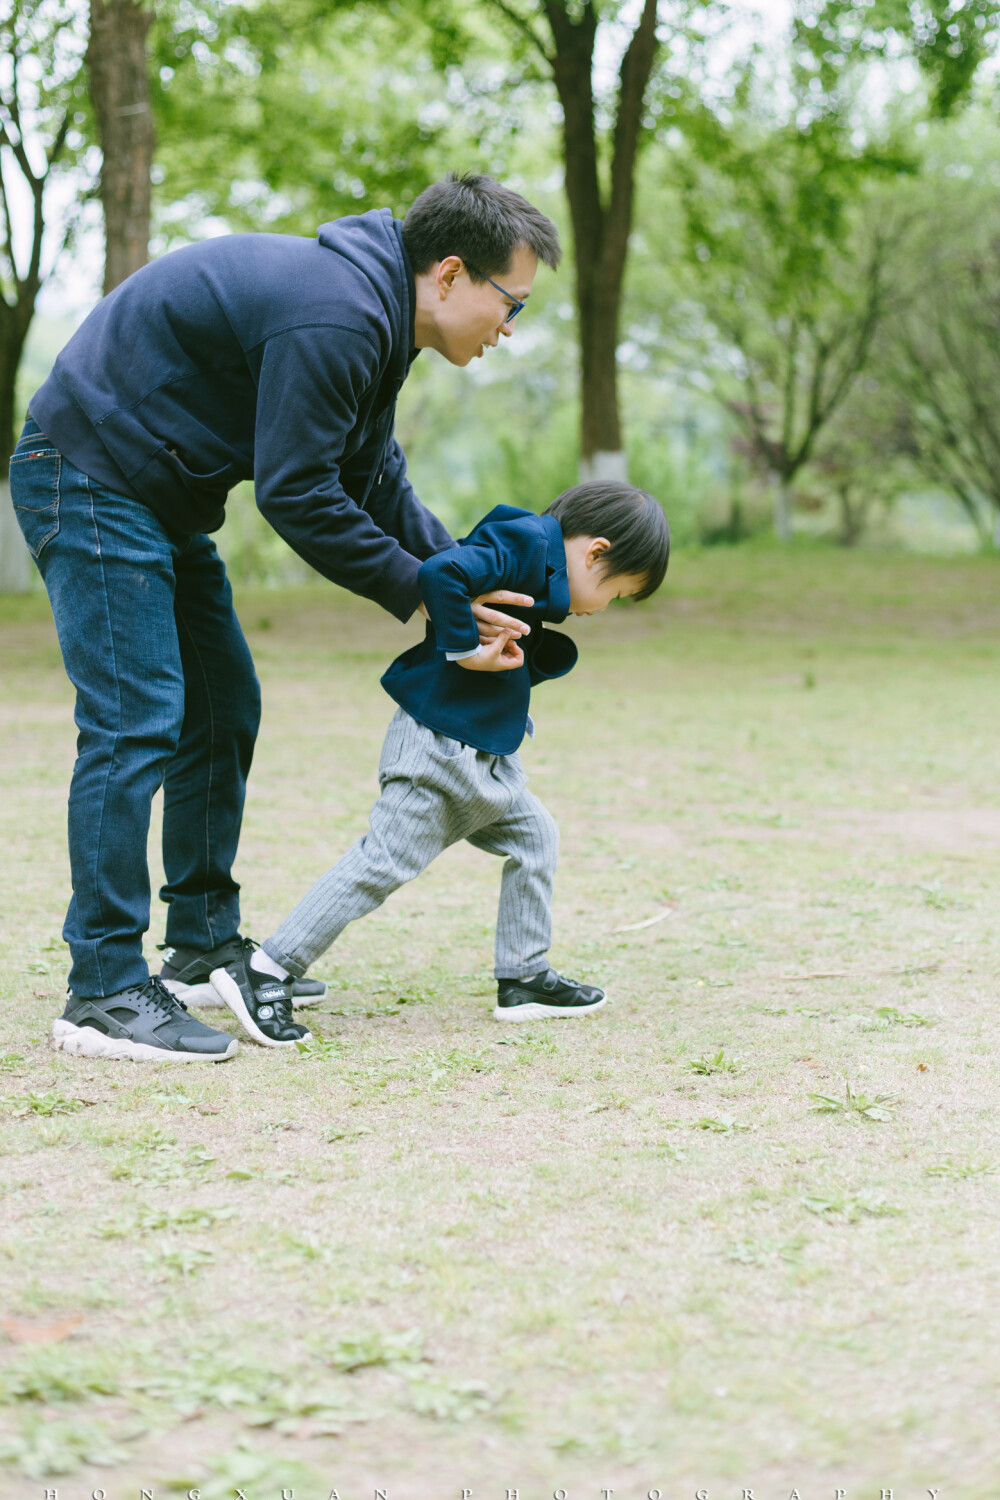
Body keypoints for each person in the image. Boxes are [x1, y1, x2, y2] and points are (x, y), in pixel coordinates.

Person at [9, 173, 561, 1063]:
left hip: (157, 498)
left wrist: (460, 579)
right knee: (135, 717)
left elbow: (373, 477)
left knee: (224, 704)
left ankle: (198, 942)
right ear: (451, 274)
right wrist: (426, 595)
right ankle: (103, 987)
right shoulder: (341, 315)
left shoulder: (377, 319)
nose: (509, 329)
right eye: (512, 305)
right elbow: (300, 493)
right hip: (90, 474)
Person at [208, 481, 670, 1046]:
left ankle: (524, 976)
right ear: (594, 552)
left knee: (536, 837)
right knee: (380, 864)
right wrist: (466, 650)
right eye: (616, 594)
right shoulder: (522, 542)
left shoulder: (539, 567)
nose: (603, 608)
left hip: (481, 760)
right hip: (436, 748)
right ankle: (266, 969)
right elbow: (440, 574)